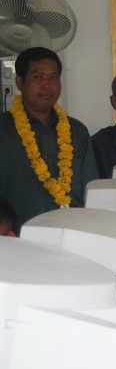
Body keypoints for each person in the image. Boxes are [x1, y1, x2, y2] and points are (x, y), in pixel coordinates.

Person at [0, 47, 98, 234]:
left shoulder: (77, 132)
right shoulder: (3, 130)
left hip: (71, 235)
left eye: (53, 78)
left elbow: (90, 190)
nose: (47, 85)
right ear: (19, 82)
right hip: (16, 240)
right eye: (38, 77)